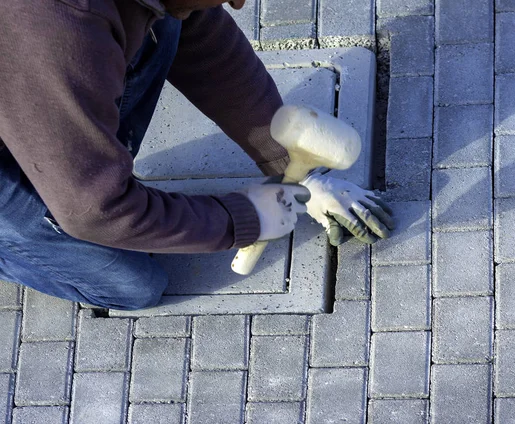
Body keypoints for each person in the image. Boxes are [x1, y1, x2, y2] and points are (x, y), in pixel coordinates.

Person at [0, 0, 394, 310]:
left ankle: (67, 155)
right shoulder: (55, 32)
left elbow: (210, 48)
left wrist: (302, 172)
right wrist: (243, 218)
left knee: (169, 22)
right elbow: (97, 211)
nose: (240, 4)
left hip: (36, 92)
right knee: (134, 287)